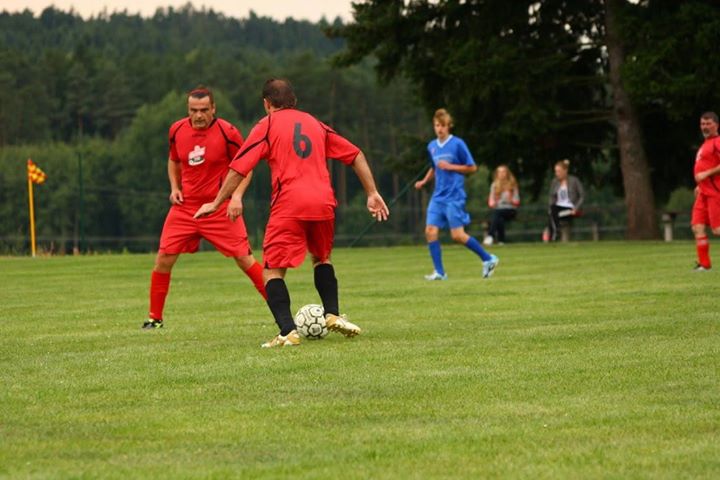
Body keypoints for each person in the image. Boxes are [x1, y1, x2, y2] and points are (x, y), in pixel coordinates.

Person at [194, 78, 389, 348]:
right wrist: (372, 192)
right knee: (322, 258)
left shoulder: (267, 124)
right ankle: (332, 314)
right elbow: (355, 154)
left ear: (266, 104)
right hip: (323, 202)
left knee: (272, 271)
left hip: (290, 204)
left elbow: (238, 168)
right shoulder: (314, 122)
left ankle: (287, 331)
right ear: (294, 101)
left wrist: (216, 202)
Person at [143, 86, 267, 329]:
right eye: (193, 110)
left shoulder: (227, 132)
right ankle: (154, 319)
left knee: (244, 259)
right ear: (187, 110)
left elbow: (246, 166)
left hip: (218, 207)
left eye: (203, 110)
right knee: (163, 259)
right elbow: (173, 160)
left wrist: (236, 197)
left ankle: (283, 314)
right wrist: (174, 187)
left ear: (213, 109)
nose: (198, 115)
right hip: (185, 208)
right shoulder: (177, 129)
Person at [414, 108, 498, 280]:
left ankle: (488, 258)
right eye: (437, 125)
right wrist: (424, 181)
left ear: (449, 126)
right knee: (430, 231)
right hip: (438, 196)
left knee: (457, 235)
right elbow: (434, 167)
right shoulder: (431, 146)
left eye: (443, 125)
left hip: (454, 196)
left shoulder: (458, 144)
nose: (440, 129)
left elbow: (472, 167)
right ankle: (440, 272)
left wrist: (451, 167)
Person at [691, 111, 720, 271]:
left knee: (717, 230)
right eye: (703, 124)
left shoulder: (717, 142)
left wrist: (706, 174)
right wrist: (699, 184)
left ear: (716, 125)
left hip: (715, 192)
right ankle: (704, 264)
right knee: (697, 227)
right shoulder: (705, 144)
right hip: (703, 192)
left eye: (708, 124)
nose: (705, 127)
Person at [544, 159, 585, 242]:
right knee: (553, 211)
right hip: (558, 208)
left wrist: (576, 208)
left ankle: (552, 234)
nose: (557, 174)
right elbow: (552, 197)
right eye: (556, 171)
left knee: (553, 216)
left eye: (559, 171)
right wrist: (550, 207)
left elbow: (582, 195)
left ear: (565, 171)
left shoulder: (574, 181)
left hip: (571, 208)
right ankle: (555, 233)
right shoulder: (555, 182)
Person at [484, 165, 520, 245]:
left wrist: (510, 200)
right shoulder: (494, 185)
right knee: (499, 217)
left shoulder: (512, 185)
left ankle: (490, 235)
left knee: (497, 214)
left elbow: (517, 202)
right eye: (499, 172)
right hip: (498, 210)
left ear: (507, 173)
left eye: (503, 172)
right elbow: (491, 203)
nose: (501, 174)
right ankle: (501, 241)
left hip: (510, 210)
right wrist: (495, 201)